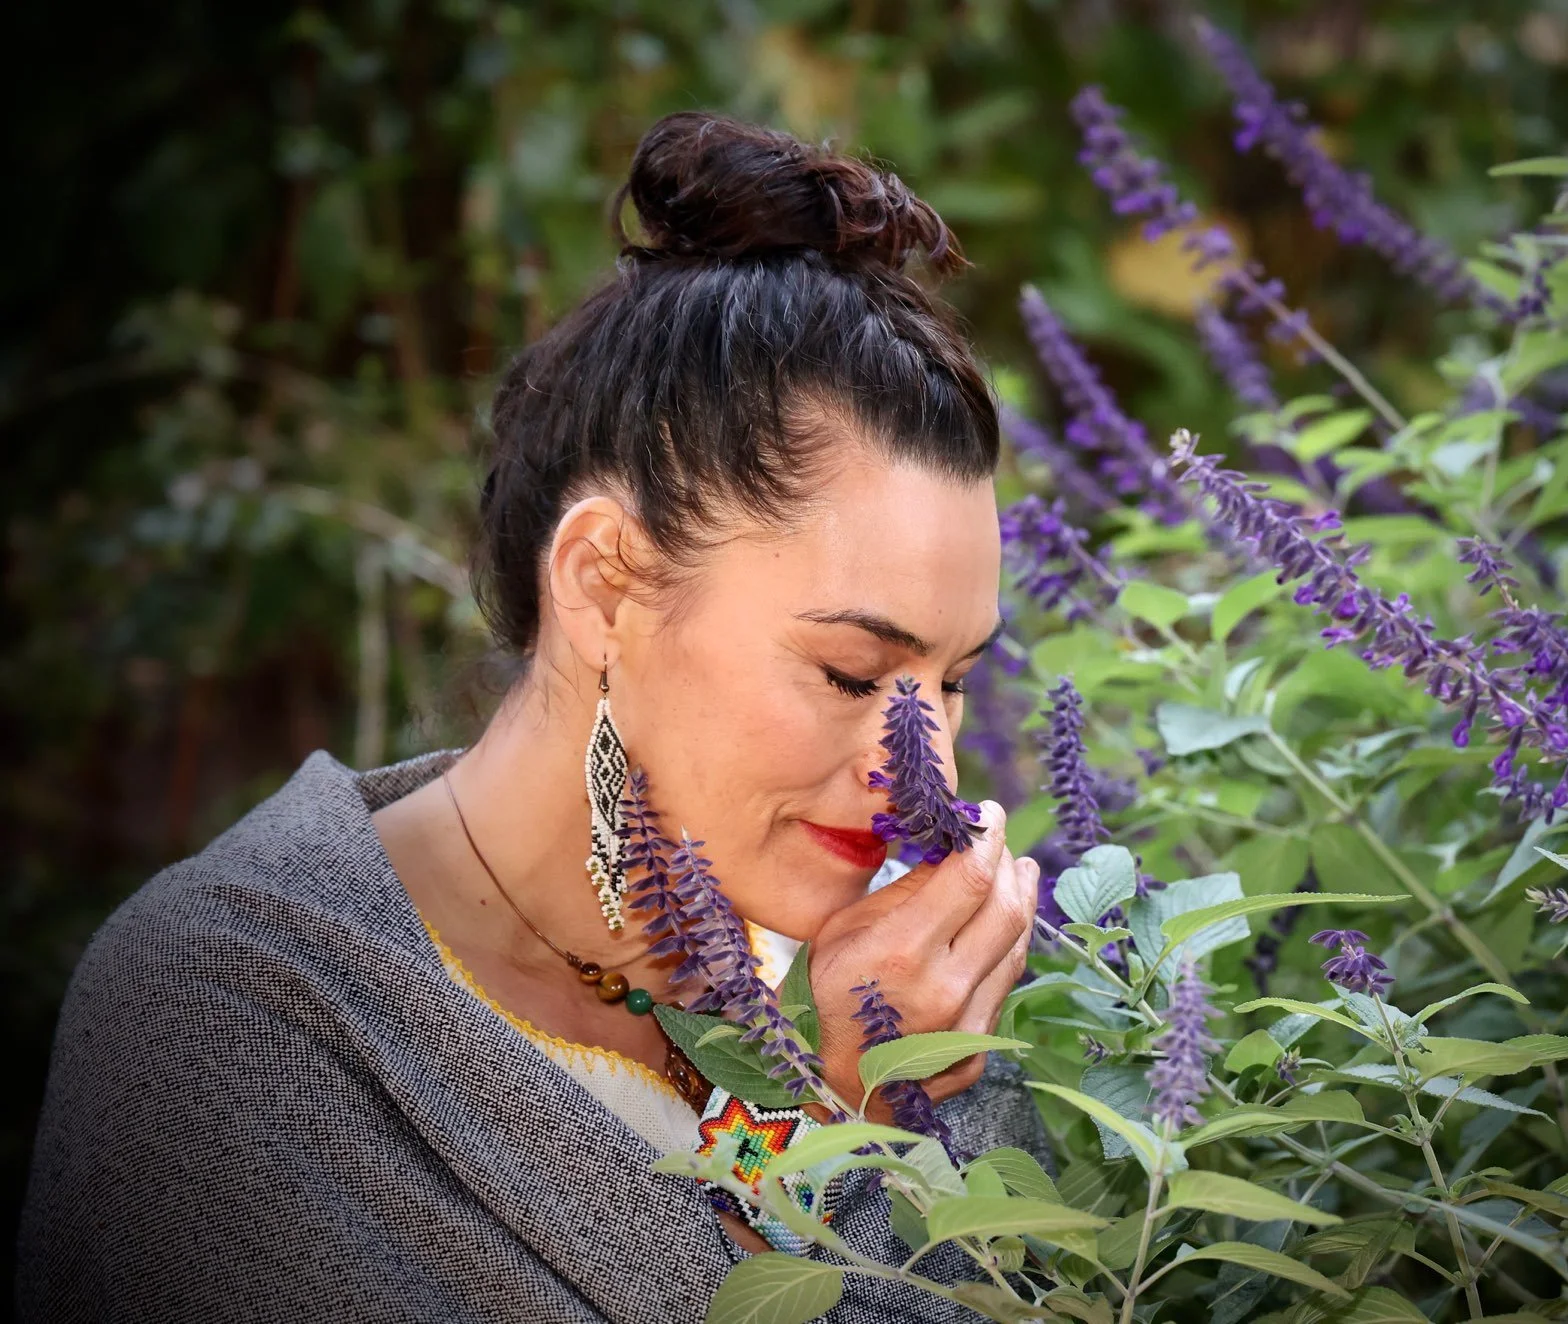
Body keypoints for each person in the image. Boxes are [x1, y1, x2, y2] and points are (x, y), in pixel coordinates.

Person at [19, 111, 1048, 1322]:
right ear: (602, 586)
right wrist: (857, 1126)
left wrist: (906, 1095)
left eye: (950, 683)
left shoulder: (897, 976)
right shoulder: (225, 1022)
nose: (919, 779)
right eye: (849, 674)